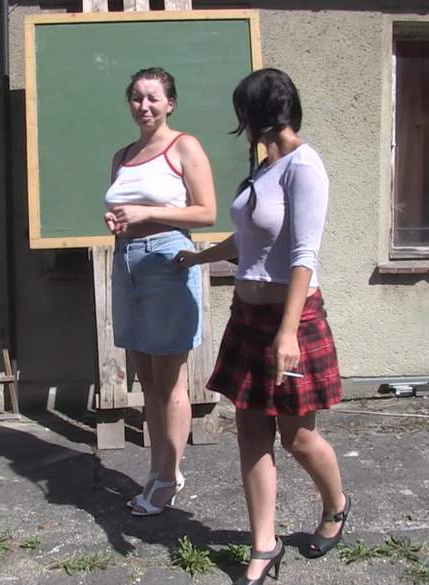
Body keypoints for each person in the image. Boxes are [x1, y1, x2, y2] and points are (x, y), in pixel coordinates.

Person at [175, 69, 349, 583]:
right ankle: (264, 544)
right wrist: (198, 257)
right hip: (247, 317)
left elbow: (304, 254)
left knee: (297, 438)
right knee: (251, 434)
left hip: (289, 319)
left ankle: (336, 506)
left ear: (254, 114)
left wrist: (288, 331)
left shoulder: (304, 166)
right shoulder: (266, 168)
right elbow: (247, 241)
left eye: (242, 113)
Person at [103, 67, 217, 516]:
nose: (144, 106)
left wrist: (146, 213)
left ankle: (167, 478)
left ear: (170, 103)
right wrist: (118, 220)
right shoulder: (122, 155)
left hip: (167, 259)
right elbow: (125, 211)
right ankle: (160, 469)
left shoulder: (184, 146)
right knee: (146, 379)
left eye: (153, 98)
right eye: (136, 98)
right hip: (127, 261)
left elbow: (206, 212)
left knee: (170, 381)